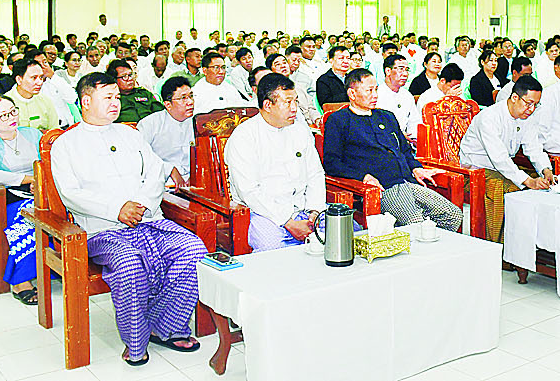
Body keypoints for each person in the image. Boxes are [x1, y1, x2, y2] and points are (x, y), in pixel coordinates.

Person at [49, 72, 206, 365]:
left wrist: (142, 204)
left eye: (117, 97)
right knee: (130, 264)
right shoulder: (66, 144)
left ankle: (164, 326)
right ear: (86, 101)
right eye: (107, 97)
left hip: (149, 220)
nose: (115, 103)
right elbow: (71, 194)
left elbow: (155, 172)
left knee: (194, 250)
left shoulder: (130, 134)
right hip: (103, 229)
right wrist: (116, 209)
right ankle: (136, 342)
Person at [322, 69, 462, 230]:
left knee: (453, 215)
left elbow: (405, 150)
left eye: (376, 89)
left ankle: (430, 245)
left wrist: (416, 168)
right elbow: (332, 163)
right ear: (352, 94)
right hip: (382, 188)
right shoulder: (339, 120)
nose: (375, 95)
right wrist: (363, 177)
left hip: (407, 181)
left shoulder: (387, 116)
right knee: (417, 224)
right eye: (369, 90)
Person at [224, 73, 327, 251]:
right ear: (267, 105)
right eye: (287, 102)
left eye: (295, 101)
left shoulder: (299, 131)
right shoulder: (244, 136)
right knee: (274, 251)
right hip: (264, 214)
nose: (294, 108)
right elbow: (249, 191)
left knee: (347, 234)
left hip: (305, 209)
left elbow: (315, 174)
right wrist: (288, 222)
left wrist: (315, 211)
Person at [458, 76, 551, 242]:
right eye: (529, 103)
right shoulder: (489, 117)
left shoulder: (527, 117)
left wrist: (546, 170)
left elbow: (533, 147)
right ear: (514, 97)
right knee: (509, 188)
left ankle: (531, 242)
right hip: (474, 172)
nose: (531, 109)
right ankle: (499, 246)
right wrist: (528, 181)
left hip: (503, 168)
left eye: (536, 105)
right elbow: (499, 158)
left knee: (543, 184)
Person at [0, 93, 43, 305]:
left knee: (62, 215)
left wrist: (42, 181)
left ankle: (53, 268)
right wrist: (29, 179)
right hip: (6, 197)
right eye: (3, 115)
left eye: (13, 111)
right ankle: (21, 281)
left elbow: (51, 161)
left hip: (40, 190)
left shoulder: (33, 134)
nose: (11, 118)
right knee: (29, 220)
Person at [137, 76, 196, 181]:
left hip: (194, 181)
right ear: (168, 105)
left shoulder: (199, 123)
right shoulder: (150, 124)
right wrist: (169, 170)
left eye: (191, 96)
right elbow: (141, 157)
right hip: (160, 180)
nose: (190, 102)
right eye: (183, 98)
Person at [4, 57, 61, 132]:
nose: (40, 82)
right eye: (34, 78)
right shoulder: (4, 103)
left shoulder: (46, 101)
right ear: (19, 79)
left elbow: (55, 130)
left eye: (41, 77)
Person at [410, 62, 465, 139]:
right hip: (434, 136)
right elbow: (429, 122)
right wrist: (447, 100)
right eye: (452, 86)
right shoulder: (427, 97)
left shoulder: (457, 95)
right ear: (442, 81)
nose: (454, 89)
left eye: (457, 87)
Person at [107, 59, 164, 124]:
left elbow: (161, 113)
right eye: (124, 76)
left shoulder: (144, 93)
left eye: (130, 75)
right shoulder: (111, 99)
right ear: (114, 79)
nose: (130, 79)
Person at [377, 53, 417, 134]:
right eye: (401, 69)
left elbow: (414, 122)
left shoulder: (407, 95)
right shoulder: (376, 95)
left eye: (407, 70)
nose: (405, 74)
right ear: (388, 71)